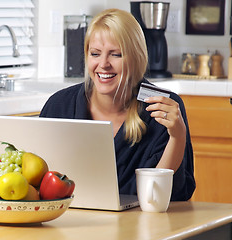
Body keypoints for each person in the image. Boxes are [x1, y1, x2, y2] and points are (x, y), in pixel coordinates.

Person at [39, 9, 195, 201]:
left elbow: (161, 196)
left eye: (116, 55)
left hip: (140, 224)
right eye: (95, 53)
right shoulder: (59, 105)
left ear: (136, 58)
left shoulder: (163, 107)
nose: (103, 64)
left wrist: (177, 137)